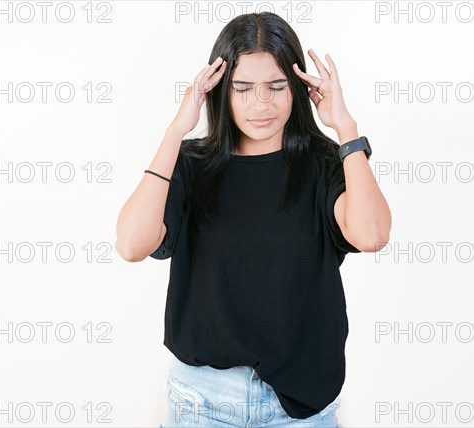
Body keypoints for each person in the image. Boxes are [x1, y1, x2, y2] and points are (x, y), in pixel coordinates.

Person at [116, 11, 391, 428]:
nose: (260, 104)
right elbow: (131, 245)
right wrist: (175, 132)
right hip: (203, 401)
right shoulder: (191, 165)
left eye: (276, 87)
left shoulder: (322, 167)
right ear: (220, 91)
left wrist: (346, 128)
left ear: (297, 90)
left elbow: (372, 235)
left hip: (301, 405)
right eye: (243, 88)